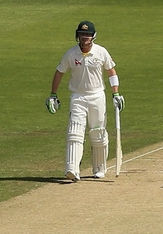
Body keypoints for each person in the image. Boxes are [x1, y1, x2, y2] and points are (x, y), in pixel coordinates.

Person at [46, 21, 124, 181]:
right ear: (78, 36)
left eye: (87, 35)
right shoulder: (71, 54)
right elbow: (59, 71)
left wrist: (115, 93)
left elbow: (111, 71)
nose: (84, 38)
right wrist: (53, 94)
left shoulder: (101, 52)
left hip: (97, 96)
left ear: (93, 36)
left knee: (98, 133)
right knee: (75, 131)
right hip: (78, 97)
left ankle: (99, 168)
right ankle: (72, 169)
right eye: (82, 35)